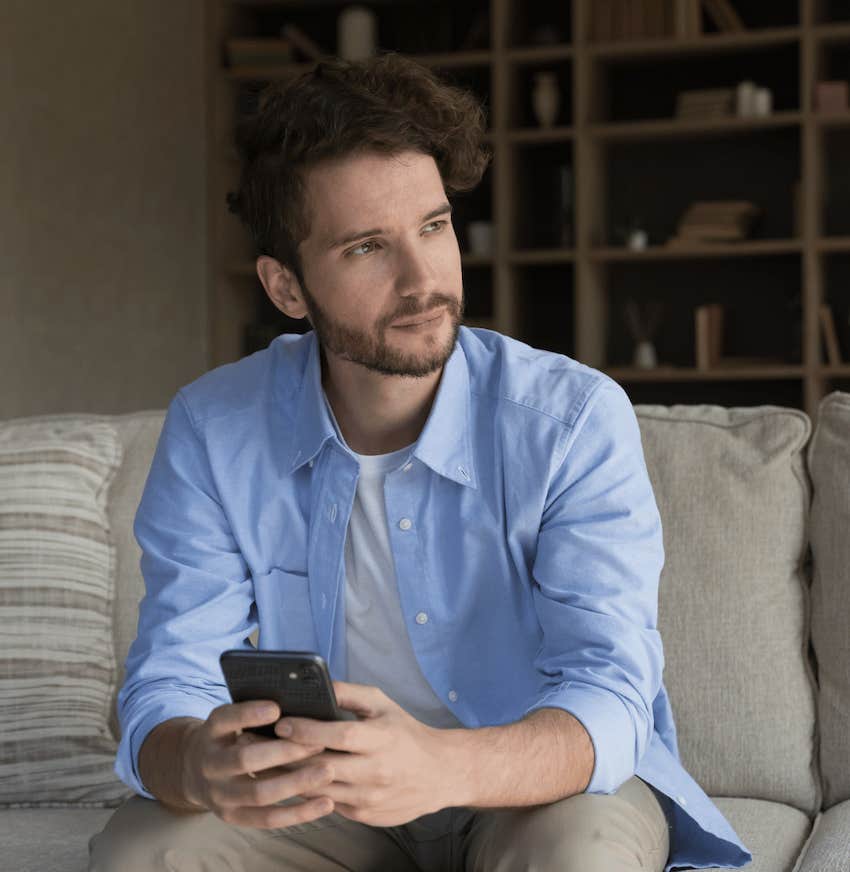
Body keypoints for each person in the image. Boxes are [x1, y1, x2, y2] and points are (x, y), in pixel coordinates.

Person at [89, 52, 751, 871]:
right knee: (146, 852)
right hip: (322, 799)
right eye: (368, 247)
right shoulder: (212, 430)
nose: (423, 280)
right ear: (287, 288)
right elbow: (166, 686)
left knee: (580, 859)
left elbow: (611, 692)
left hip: (529, 790)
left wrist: (441, 766)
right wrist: (196, 763)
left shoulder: (573, 419)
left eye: (433, 227)